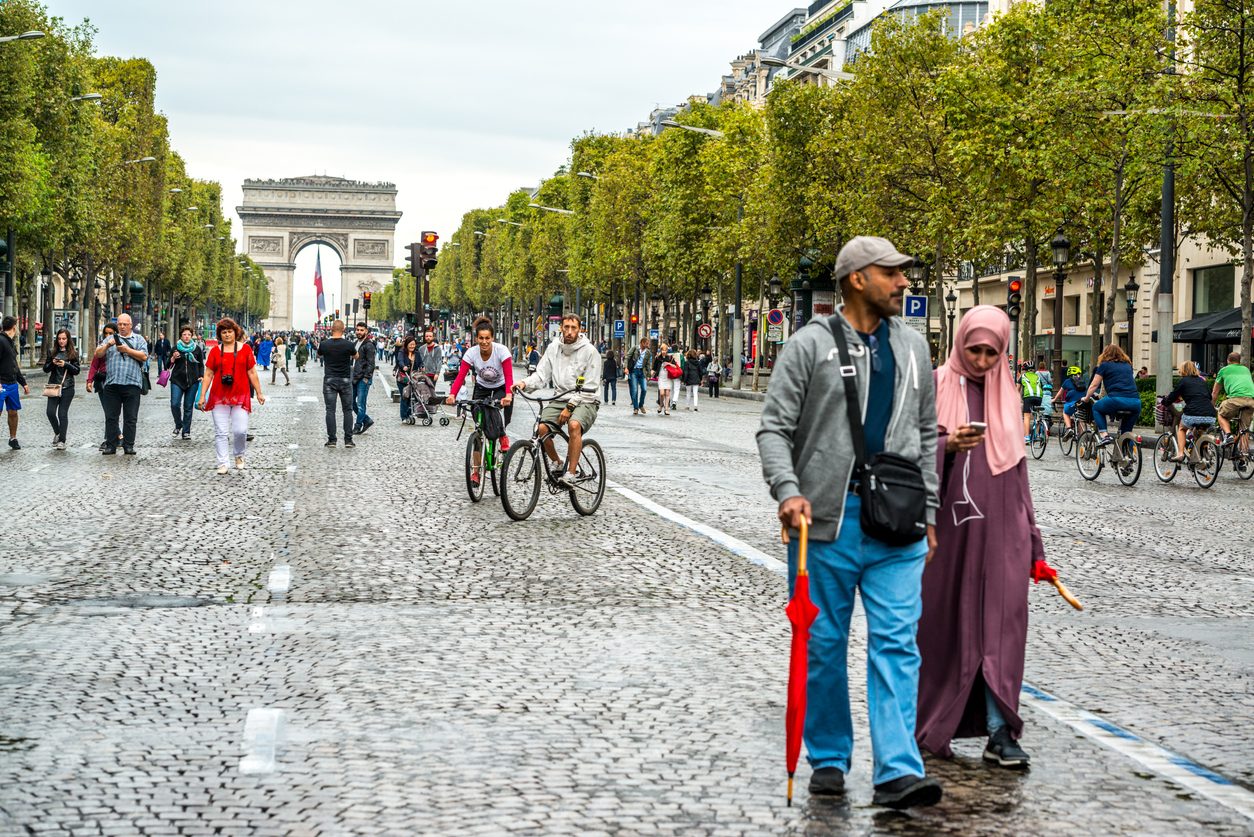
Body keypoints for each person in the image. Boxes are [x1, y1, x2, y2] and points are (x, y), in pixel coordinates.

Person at [757, 235, 942, 809]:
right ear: (858, 279)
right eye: (892, 273)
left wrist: (930, 513)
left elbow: (928, 434)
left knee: (896, 643)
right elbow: (773, 429)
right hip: (825, 524)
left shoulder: (915, 348)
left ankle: (896, 770)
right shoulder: (808, 346)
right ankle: (830, 756)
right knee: (823, 644)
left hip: (899, 523)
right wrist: (787, 492)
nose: (904, 282)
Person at [917, 305, 1042, 772]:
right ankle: (934, 722)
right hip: (948, 535)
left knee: (1002, 633)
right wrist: (946, 445)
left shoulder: (1008, 397)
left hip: (1004, 535)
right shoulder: (933, 384)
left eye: (993, 351)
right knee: (946, 631)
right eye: (976, 349)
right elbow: (907, 447)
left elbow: (1019, 474)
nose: (985, 359)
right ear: (960, 343)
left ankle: (1000, 731)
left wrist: (1034, 541)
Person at [515, 313, 601, 487]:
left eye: (573, 328)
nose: (569, 332)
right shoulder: (554, 347)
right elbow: (541, 374)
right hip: (560, 396)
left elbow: (590, 385)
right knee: (541, 428)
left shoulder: (591, 352)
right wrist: (523, 383)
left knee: (574, 425)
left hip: (586, 399)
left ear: (580, 329)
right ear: (561, 328)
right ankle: (557, 462)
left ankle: (571, 473)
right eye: (566, 327)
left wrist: (570, 406)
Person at [198, 318, 265, 475]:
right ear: (220, 335)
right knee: (221, 432)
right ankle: (222, 462)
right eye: (224, 332)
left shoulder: (246, 350)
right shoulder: (214, 351)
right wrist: (202, 396)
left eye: (229, 331)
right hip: (219, 396)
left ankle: (239, 454)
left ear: (236, 333)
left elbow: (252, 372)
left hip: (240, 395)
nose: (227, 334)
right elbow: (208, 374)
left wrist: (259, 392)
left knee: (240, 431)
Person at [446, 318, 515, 459]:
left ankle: (502, 435)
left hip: (500, 387)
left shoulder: (502, 351)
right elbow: (461, 376)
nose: (484, 342)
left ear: (492, 338)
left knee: (492, 406)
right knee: (479, 423)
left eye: (487, 338)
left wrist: (508, 394)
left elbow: (509, 376)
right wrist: (452, 394)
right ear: (476, 339)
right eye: (481, 338)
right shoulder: (471, 353)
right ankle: (476, 471)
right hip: (481, 387)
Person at [94, 313, 148, 455]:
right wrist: (106, 346)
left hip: (132, 384)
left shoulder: (139, 339)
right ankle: (111, 445)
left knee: (130, 417)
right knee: (111, 417)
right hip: (112, 384)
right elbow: (97, 354)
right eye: (120, 324)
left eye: (125, 324)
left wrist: (127, 350)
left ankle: (128, 445)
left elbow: (144, 356)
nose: (122, 327)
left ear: (130, 325)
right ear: (117, 325)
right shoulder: (109, 339)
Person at [1084, 344, 1141, 446]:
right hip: (1135, 402)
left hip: (1116, 400)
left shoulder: (1104, 365)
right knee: (1126, 432)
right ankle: (1128, 457)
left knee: (1097, 408)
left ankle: (1104, 435)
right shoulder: (1128, 365)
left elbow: (1094, 384)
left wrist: (1087, 398)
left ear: (1105, 353)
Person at [1165, 361, 1217, 462]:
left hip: (1193, 413)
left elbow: (1172, 396)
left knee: (1181, 428)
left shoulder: (1183, 381)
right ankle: (1200, 456)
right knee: (1199, 431)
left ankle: (1180, 454)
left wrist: (1165, 401)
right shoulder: (1203, 381)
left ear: (1183, 370)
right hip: (1210, 415)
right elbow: (1209, 397)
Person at [318, 320, 358, 448]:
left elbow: (319, 355)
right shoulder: (349, 344)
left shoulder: (324, 344)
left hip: (330, 379)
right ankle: (348, 440)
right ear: (344, 329)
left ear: (331, 329)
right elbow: (356, 356)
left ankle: (332, 440)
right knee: (347, 410)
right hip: (345, 379)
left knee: (330, 410)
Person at [41, 328, 80, 450]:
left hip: (67, 387)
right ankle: (58, 433)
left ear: (68, 339)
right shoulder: (52, 352)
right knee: (50, 412)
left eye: (64, 339)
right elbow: (45, 369)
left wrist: (66, 364)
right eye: (59, 339)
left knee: (62, 414)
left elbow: (77, 370)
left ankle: (62, 440)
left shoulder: (73, 353)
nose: (61, 341)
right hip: (53, 386)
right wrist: (53, 363)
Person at [1212, 351, 1254, 450]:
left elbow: (1215, 392)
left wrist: (1211, 405)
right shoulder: (1245, 369)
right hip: (1251, 401)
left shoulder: (1224, 370)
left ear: (1228, 360)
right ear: (1239, 361)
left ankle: (1228, 435)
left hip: (1235, 400)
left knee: (1221, 415)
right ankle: (1243, 457)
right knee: (1244, 430)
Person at [168, 325, 204, 440]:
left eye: (189, 334)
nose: (187, 337)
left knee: (188, 407)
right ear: (181, 336)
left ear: (192, 335)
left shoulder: (196, 348)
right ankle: (179, 424)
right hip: (177, 380)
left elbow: (200, 364)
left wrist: (201, 376)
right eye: (184, 334)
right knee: (174, 404)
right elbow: (167, 365)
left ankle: (186, 431)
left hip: (193, 381)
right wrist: (173, 358)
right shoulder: (175, 348)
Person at [85, 322, 116, 450]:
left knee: (113, 412)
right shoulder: (101, 347)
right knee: (108, 412)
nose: (108, 336)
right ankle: (109, 438)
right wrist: (89, 381)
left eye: (111, 333)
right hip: (102, 381)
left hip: (116, 381)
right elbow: (94, 364)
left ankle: (114, 437)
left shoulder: (121, 346)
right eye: (106, 333)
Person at [0, 316, 29, 450]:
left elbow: (14, 365)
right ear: (14, 327)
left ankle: (13, 438)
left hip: (12, 384)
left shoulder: (11, 342)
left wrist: (23, 383)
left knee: (13, 412)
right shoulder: (0, 340)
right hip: (1, 384)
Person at [352, 322, 377, 435]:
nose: (359, 332)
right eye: (357, 330)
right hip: (354, 377)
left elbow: (371, 363)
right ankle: (366, 420)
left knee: (361, 404)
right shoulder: (355, 343)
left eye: (362, 330)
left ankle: (358, 426)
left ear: (366, 331)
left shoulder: (369, 345)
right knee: (351, 403)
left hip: (363, 378)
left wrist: (366, 378)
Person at [1053, 365, 1086, 435]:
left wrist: (1054, 399)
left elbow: (1060, 392)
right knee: (1080, 418)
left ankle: (1069, 429)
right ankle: (1082, 438)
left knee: (1065, 412)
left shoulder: (1067, 381)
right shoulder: (1083, 381)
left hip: (1072, 403)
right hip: (1083, 402)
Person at [1017, 361, 1043, 442]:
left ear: (1025, 369)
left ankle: (1027, 437)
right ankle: (1037, 435)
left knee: (1027, 416)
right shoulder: (1037, 376)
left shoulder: (1023, 376)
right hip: (1039, 397)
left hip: (1028, 396)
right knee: (1038, 415)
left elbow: (1017, 390)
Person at [395, 335, 419, 422]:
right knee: (405, 396)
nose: (412, 346)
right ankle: (404, 416)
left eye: (413, 344)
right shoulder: (402, 352)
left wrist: (422, 366)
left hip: (412, 379)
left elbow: (420, 362)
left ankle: (409, 414)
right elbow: (400, 360)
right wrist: (403, 366)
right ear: (407, 344)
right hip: (403, 379)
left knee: (411, 397)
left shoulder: (417, 353)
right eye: (410, 344)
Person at [626, 338, 652, 415]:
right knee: (635, 390)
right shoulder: (634, 348)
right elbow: (627, 357)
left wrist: (648, 375)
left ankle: (641, 405)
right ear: (642, 343)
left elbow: (648, 364)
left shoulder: (648, 353)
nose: (648, 345)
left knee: (644, 389)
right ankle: (635, 408)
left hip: (642, 372)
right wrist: (626, 367)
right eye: (646, 343)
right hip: (634, 371)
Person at [654, 342, 673, 416]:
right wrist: (650, 375)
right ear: (661, 350)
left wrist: (669, 364)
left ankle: (666, 408)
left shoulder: (670, 358)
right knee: (662, 393)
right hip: (661, 377)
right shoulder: (658, 358)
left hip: (668, 377)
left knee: (667, 393)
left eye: (665, 350)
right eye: (663, 350)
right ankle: (661, 405)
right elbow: (654, 368)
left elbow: (675, 367)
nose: (664, 351)